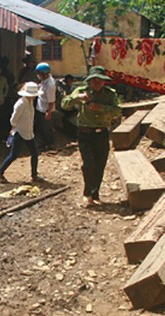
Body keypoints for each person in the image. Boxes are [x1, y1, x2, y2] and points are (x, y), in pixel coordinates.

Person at [61, 66, 121, 208]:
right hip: (85, 134)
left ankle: (95, 194)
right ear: (89, 81)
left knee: (100, 165)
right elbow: (64, 104)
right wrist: (76, 98)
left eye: (99, 81)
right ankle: (87, 193)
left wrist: (101, 108)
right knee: (89, 165)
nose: (97, 83)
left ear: (104, 82)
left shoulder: (110, 94)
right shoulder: (81, 91)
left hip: (102, 133)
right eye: (94, 81)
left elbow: (117, 111)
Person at [0, 82, 42, 184]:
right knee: (13, 155)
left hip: (29, 132)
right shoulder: (20, 104)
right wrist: (14, 128)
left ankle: (34, 175)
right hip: (20, 132)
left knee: (34, 153)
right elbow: (13, 120)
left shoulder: (29, 102)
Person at [34, 62, 56, 150]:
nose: (37, 75)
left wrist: (49, 112)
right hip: (41, 108)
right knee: (41, 128)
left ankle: (49, 145)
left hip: (46, 110)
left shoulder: (50, 85)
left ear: (44, 74)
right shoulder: (44, 81)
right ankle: (43, 143)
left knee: (46, 129)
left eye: (39, 73)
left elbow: (51, 101)